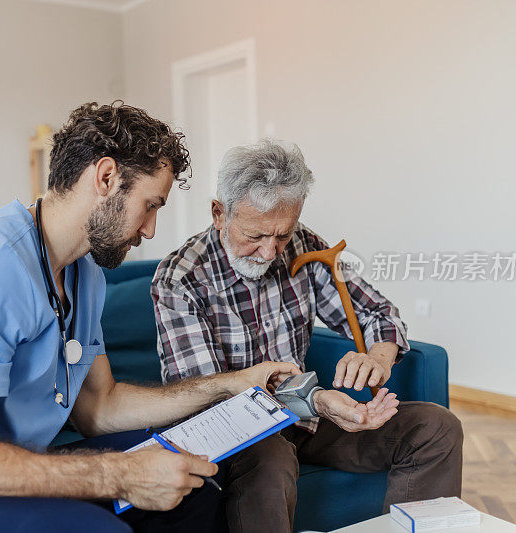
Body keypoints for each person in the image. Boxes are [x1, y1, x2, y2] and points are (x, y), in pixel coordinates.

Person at [0, 103, 300, 533]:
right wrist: (121, 475)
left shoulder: (84, 271)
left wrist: (229, 384)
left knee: (191, 489)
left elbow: (99, 409)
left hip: (4, 471)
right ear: (107, 177)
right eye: (150, 205)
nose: (151, 229)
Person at [151, 139, 464, 533]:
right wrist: (313, 399)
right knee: (269, 456)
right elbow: (209, 395)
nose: (270, 253)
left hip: (308, 419)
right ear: (218, 213)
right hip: (240, 430)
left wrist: (377, 357)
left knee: (436, 427)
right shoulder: (180, 278)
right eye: (256, 236)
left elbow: (379, 314)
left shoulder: (304, 246)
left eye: (282, 235)